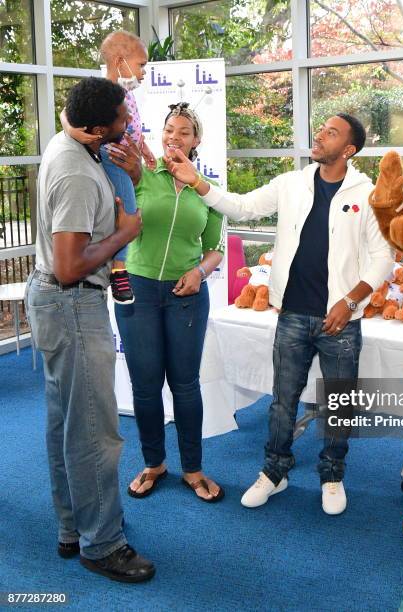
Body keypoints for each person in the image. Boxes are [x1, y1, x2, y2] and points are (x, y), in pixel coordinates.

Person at [166, 113, 393, 515]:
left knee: (339, 402)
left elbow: (382, 260)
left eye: (331, 133)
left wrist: (350, 302)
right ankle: (274, 472)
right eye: (321, 127)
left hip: (341, 320)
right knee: (282, 402)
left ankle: (333, 474)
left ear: (349, 150)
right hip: (291, 315)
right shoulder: (292, 184)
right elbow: (240, 206)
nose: (320, 134)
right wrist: (196, 180)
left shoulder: (367, 193)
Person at [25, 77, 155, 582]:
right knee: (96, 431)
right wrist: (125, 233)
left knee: (65, 424)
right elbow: (68, 265)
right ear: (97, 127)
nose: (129, 123)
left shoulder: (69, 140)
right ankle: (102, 544)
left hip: (59, 306)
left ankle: (73, 528)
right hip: (73, 304)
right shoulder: (77, 174)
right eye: (123, 118)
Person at [115, 102, 226, 503]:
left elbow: (215, 247)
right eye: (168, 130)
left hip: (188, 295)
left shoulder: (205, 189)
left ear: (196, 140)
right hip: (139, 291)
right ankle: (153, 464)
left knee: (185, 385)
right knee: (145, 387)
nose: (173, 137)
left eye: (183, 132)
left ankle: (193, 469)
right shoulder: (143, 175)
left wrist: (200, 272)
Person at [61, 30, 156, 305]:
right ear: (119, 61)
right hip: (111, 154)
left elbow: (135, 128)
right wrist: (73, 132)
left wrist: (145, 149)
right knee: (126, 203)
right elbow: (66, 113)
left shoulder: (127, 94)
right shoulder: (103, 93)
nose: (143, 73)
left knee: (126, 203)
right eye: (141, 65)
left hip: (127, 153)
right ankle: (119, 270)